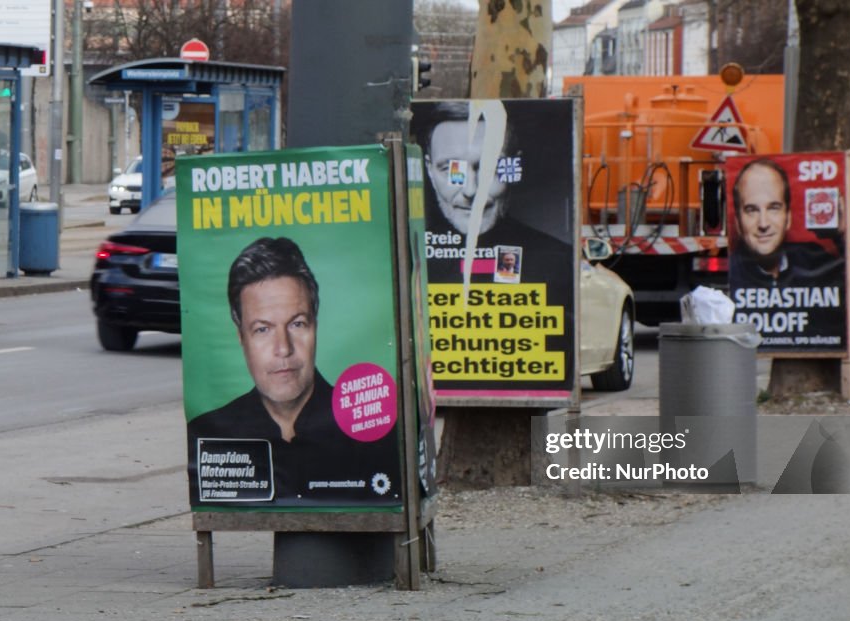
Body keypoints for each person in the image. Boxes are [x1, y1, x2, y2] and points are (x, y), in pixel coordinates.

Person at [187, 237, 397, 503]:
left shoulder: (371, 430)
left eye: (297, 324)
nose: (283, 348)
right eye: (262, 329)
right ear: (241, 338)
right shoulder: (213, 432)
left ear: (315, 326)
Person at [414, 100, 571, 284]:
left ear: (513, 168)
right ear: (429, 170)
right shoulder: (410, 262)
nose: (471, 191)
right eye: (451, 169)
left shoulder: (556, 262)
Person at [730, 157, 843, 289]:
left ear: (788, 217)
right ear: (738, 223)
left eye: (773, 208)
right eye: (752, 210)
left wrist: (842, 237)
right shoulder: (728, 274)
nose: (763, 224)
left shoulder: (813, 259)